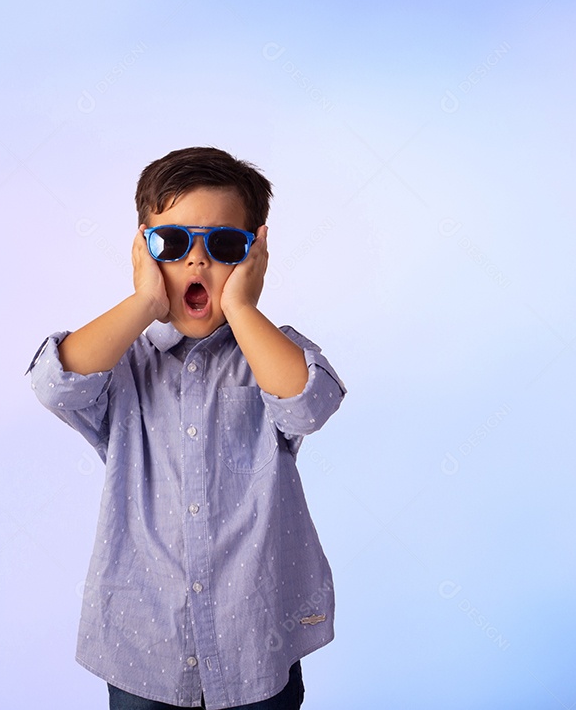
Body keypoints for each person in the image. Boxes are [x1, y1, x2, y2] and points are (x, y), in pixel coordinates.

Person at [28, 146, 346, 709]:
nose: (197, 263)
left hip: (257, 634)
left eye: (223, 246)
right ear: (145, 251)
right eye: (174, 244)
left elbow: (306, 406)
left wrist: (243, 309)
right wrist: (144, 300)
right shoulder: (120, 360)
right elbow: (55, 385)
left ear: (254, 256)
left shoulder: (269, 352)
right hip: (143, 639)